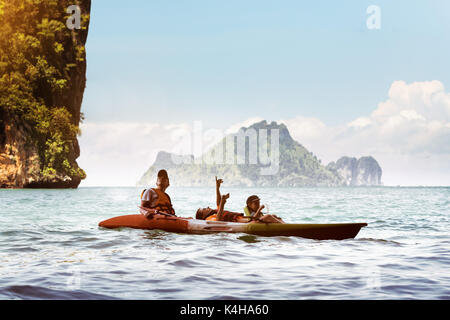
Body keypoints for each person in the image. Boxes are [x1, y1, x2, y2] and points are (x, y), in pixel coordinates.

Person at [196, 177, 284, 223]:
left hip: (245, 219)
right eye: (204, 209)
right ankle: (286, 228)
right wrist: (223, 203)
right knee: (268, 217)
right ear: (203, 215)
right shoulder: (209, 219)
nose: (207, 207)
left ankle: (286, 226)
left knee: (275, 216)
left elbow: (218, 203)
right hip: (245, 222)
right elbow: (218, 220)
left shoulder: (215, 212)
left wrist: (217, 188)